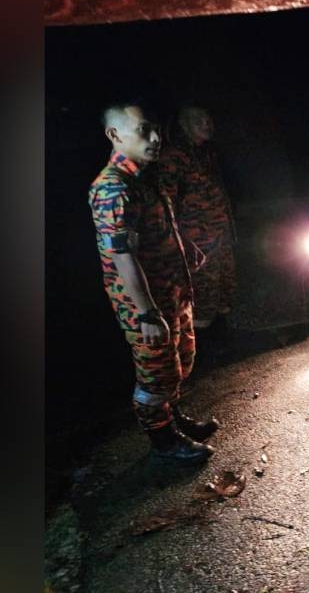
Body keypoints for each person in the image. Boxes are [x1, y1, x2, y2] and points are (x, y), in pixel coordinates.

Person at [89, 101, 217, 463]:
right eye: (144, 130)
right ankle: (162, 441)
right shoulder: (113, 187)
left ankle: (171, 418)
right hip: (144, 302)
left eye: (155, 128)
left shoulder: (147, 176)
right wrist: (146, 313)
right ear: (114, 135)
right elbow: (122, 255)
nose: (156, 138)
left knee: (181, 360)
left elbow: (158, 228)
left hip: (172, 289)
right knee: (156, 374)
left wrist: (185, 247)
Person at [158, 105, 237, 334]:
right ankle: (205, 345)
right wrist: (181, 238)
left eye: (208, 119)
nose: (207, 124)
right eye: (199, 120)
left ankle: (225, 333)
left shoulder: (207, 153)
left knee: (225, 284)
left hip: (220, 233)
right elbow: (167, 201)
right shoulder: (173, 157)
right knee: (203, 288)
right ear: (184, 125)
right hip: (197, 238)